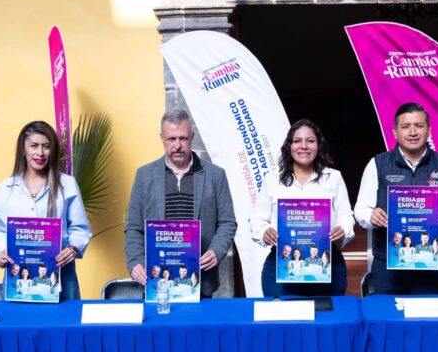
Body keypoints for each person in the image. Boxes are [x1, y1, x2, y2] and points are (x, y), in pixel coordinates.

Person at [355, 103, 438, 294]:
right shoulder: (377, 164)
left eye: (419, 126)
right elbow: (360, 209)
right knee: (387, 320)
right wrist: (371, 216)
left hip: (430, 263)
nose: (413, 132)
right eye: (405, 127)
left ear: (429, 130)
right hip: (387, 264)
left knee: (428, 321)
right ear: (395, 132)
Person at [124, 109, 237, 298]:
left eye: (183, 139)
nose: (177, 145)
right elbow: (134, 227)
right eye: (171, 139)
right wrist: (135, 262)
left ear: (192, 137)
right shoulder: (144, 175)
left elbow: (227, 222)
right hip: (157, 282)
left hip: (201, 281)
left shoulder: (215, 175)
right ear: (162, 138)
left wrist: (216, 251)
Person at [0, 120, 91, 301]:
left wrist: (73, 248)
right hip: (18, 273)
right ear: (23, 149)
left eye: (46, 146)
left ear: (53, 151)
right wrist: (3, 251)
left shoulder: (67, 184)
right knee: (17, 327)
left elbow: (80, 227)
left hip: (61, 274)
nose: (40, 153)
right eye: (34, 146)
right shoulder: (6, 187)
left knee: (63, 327)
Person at [250, 119, 355, 296]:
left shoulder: (334, 178)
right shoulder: (272, 179)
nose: (304, 146)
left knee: (328, 320)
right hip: (281, 263)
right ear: (289, 146)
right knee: (281, 319)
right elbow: (257, 219)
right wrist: (264, 231)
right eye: (297, 141)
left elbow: (346, 216)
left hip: (326, 262)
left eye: (310, 141)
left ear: (318, 146)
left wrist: (343, 230)